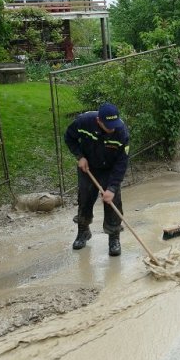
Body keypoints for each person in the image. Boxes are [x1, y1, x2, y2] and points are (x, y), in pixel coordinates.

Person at [64, 102, 129, 256]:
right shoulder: (83, 122)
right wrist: (80, 157)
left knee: (113, 202)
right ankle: (83, 231)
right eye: (108, 125)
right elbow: (69, 137)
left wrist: (112, 188)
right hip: (88, 167)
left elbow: (122, 163)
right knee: (85, 199)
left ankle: (114, 238)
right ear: (99, 121)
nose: (112, 128)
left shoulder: (121, 132)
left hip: (110, 170)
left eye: (114, 124)